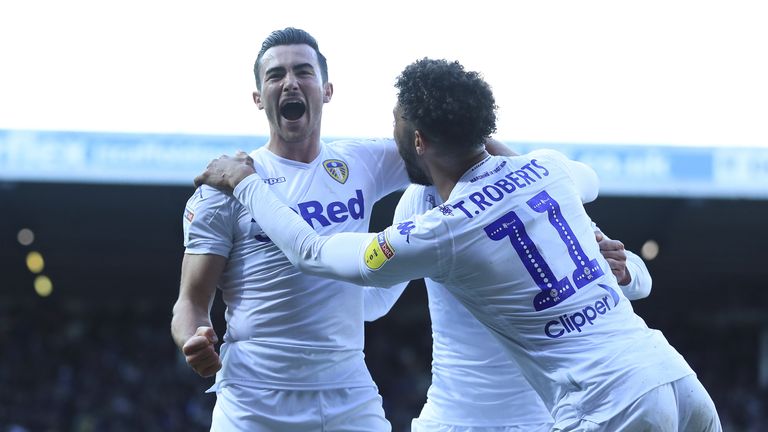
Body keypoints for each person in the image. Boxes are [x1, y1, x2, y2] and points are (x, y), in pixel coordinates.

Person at [194, 58, 722, 430]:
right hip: (675, 379)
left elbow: (312, 252)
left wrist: (245, 185)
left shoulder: (441, 229)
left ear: (418, 141)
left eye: (398, 122)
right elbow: (588, 182)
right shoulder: (549, 170)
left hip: (604, 404)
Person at [170, 27, 512, 431]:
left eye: (303, 71)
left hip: (348, 394)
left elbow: (466, 146)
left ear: (327, 90)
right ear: (259, 98)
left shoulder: (360, 162)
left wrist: (559, 210)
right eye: (276, 76)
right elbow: (190, 301)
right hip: (254, 401)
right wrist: (192, 338)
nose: (291, 82)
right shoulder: (225, 185)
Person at [364, 183, 654, 431]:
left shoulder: (534, 180)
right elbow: (375, 302)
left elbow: (639, 279)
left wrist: (622, 271)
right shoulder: (421, 198)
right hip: (452, 417)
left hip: (542, 417)